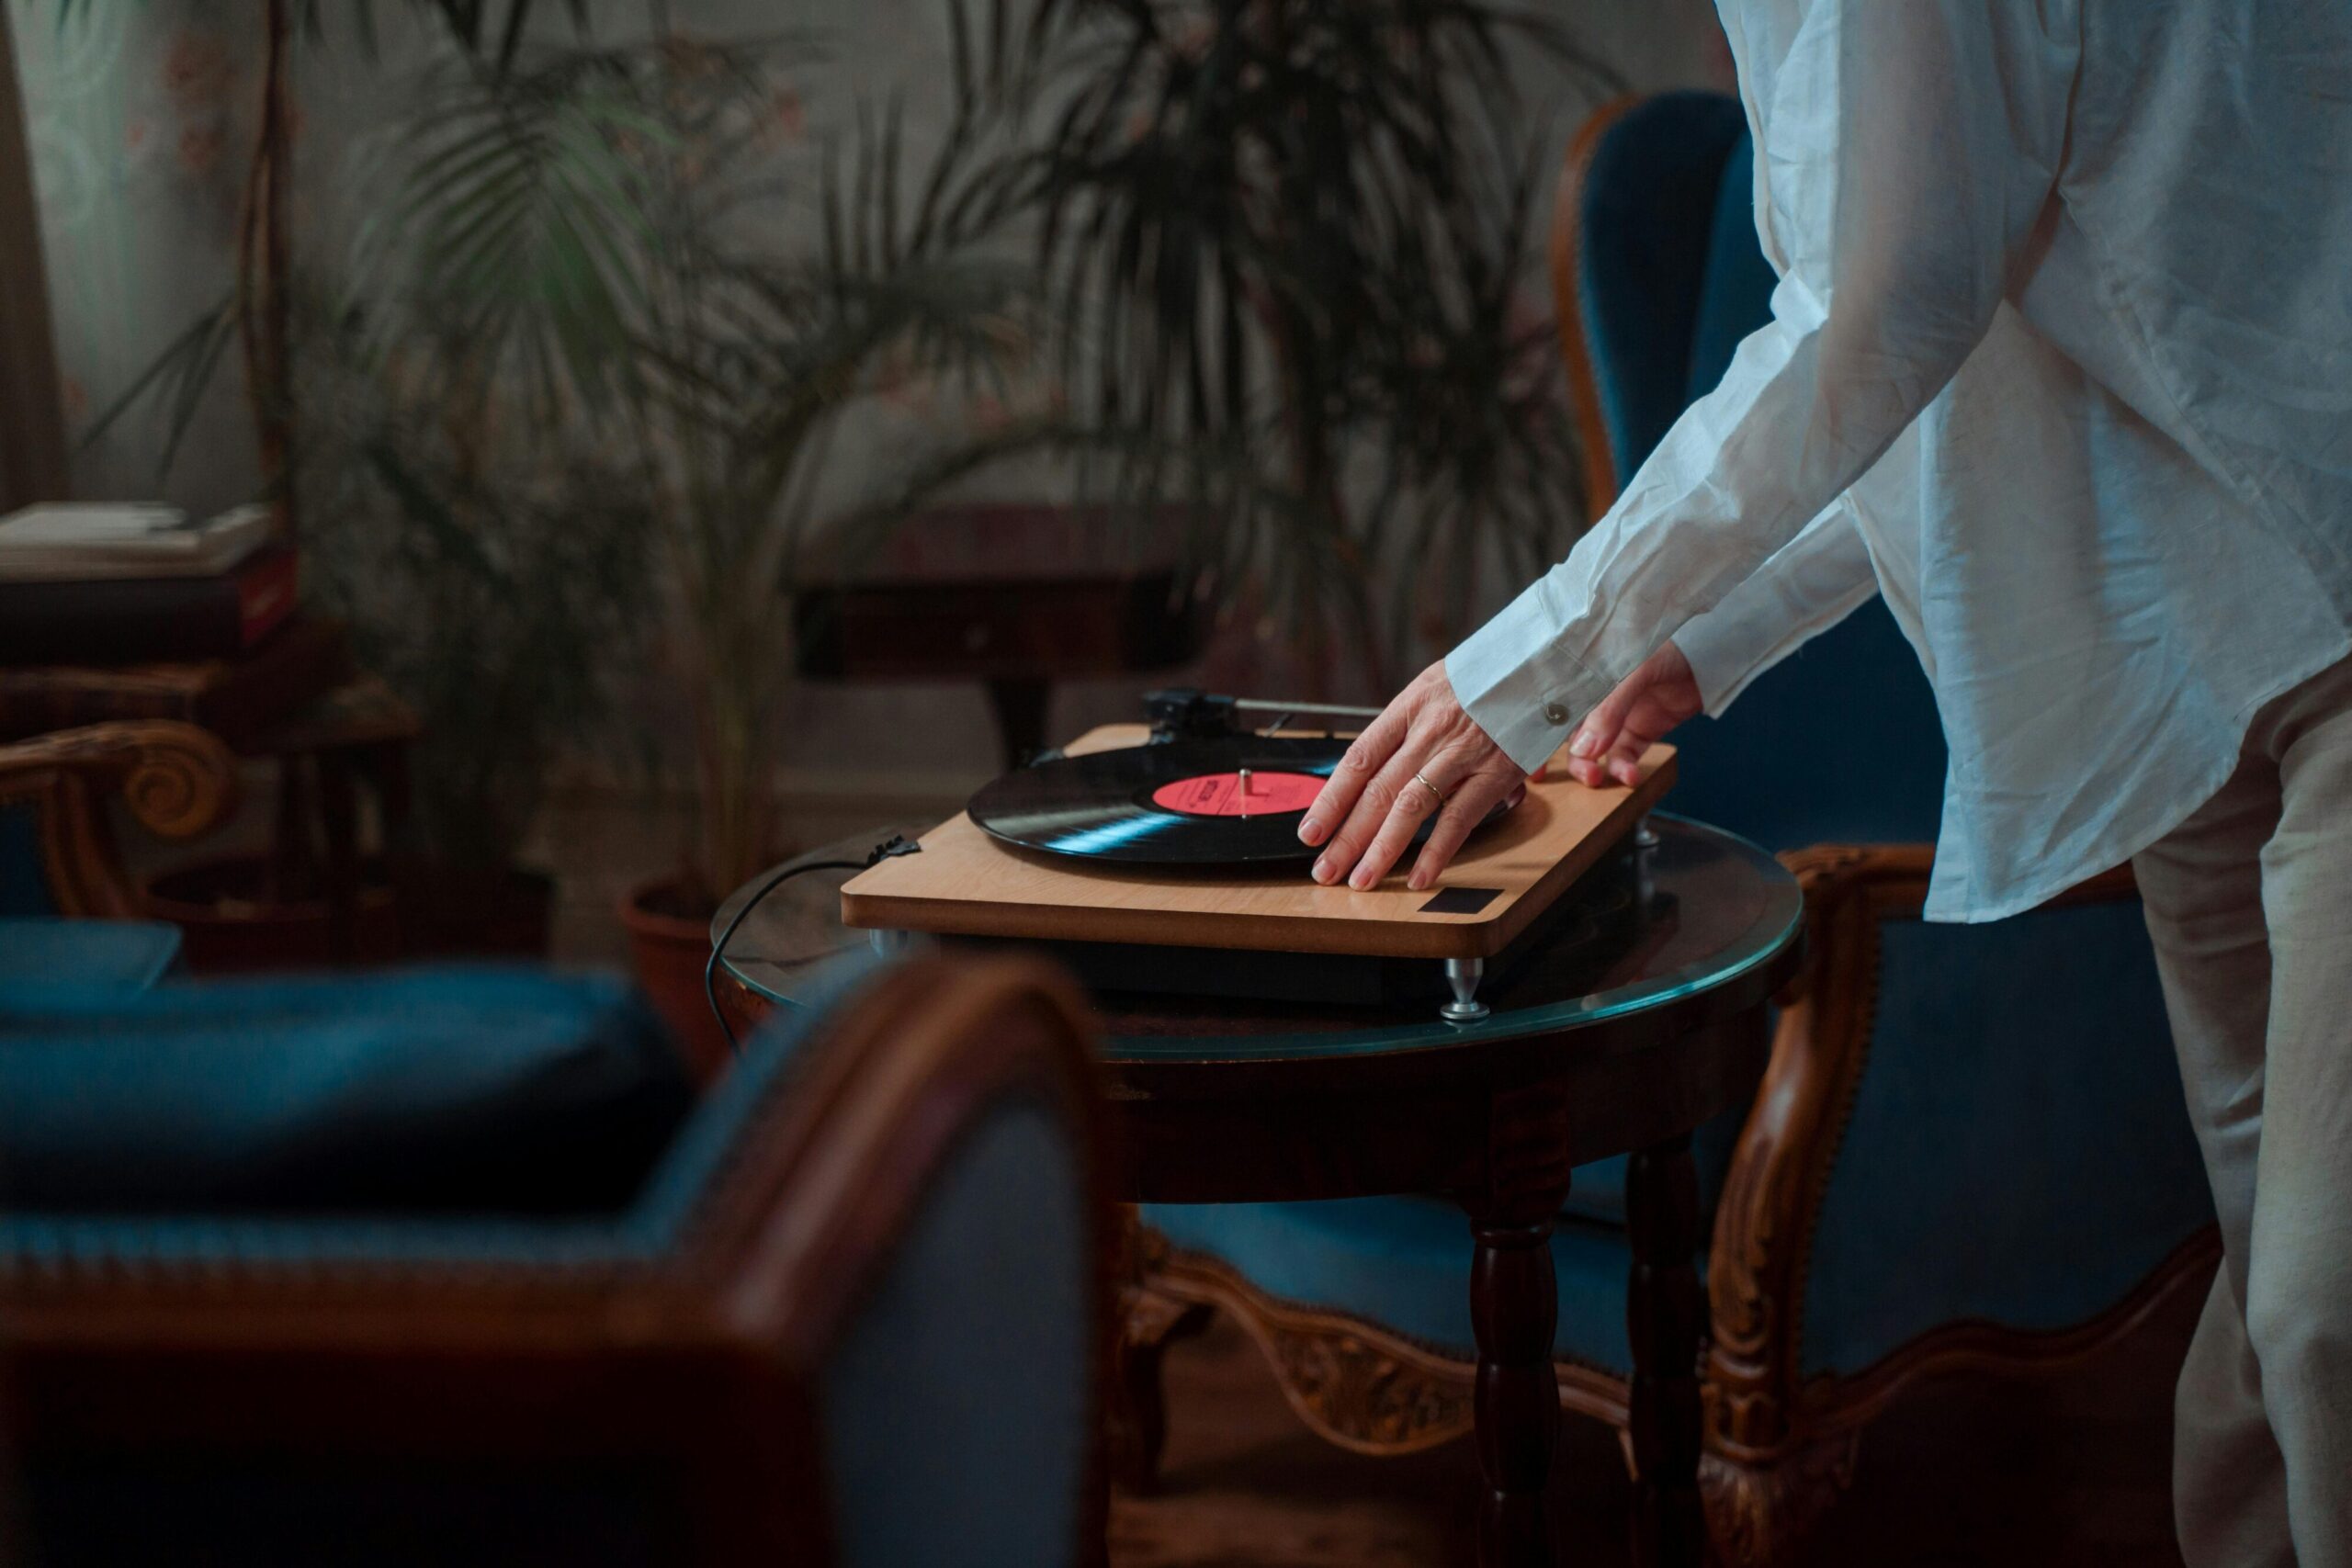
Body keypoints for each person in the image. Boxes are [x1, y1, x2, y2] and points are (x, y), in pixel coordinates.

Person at [1296, 3, 2352, 1563]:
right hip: (2199, 643)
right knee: (2270, 1313)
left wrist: (1533, 668)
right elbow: (1950, 319)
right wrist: (1699, 636)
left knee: (2323, 1312)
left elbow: (1885, 309)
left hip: (2325, 577)